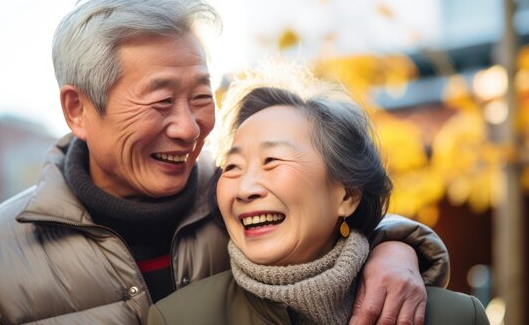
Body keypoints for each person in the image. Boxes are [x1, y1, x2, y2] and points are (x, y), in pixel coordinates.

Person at [0, 0, 449, 325]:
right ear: (78, 109)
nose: (188, 127)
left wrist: (394, 248)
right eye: (159, 101)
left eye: (202, 96)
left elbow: (326, 224)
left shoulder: (239, 205)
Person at [148, 62, 488, 325]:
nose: (245, 189)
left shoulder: (455, 316)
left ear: (347, 196)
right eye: (233, 167)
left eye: (272, 161)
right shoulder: (178, 318)